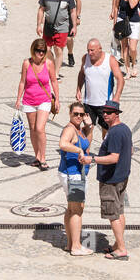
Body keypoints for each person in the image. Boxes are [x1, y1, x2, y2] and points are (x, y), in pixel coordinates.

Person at [91, 102, 132, 260]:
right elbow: (130, 151)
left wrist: (93, 159)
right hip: (121, 177)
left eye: (109, 112)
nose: (105, 114)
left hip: (111, 179)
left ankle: (121, 248)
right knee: (119, 211)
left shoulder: (114, 132)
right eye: (104, 112)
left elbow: (114, 157)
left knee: (112, 214)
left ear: (117, 114)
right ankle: (117, 243)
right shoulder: (125, 129)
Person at [15, 39, 59, 168]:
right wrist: (18, 98)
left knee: (40, 128)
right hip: (29, 100)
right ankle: (37, 156)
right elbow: (22, 82)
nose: (40, 53)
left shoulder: (49, 63)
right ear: (33, 50)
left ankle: (43, 157)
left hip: (44, 100)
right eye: (38, 51)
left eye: (43, 51)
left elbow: (54, 81)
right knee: (33, 129)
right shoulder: (26, 64)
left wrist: (57, 99)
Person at [58, 102, 95, 255]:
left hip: (75, 173)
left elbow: (87, 145)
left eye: (81, 114)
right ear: (70, 114)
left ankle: (69, 243)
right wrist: (77, 149)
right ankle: (76, 246)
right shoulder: (69, 129)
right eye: (76, 114)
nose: (79, 116)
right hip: (73, 174)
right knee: (77, 210)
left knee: (71, 208)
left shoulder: (79, 130)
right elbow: (63, 144)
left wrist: (89, 127)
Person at [36, 0, 78, 81]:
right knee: (47, 49)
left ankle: (56, 73)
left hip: (63, 26)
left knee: (58, 50)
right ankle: (52, 65)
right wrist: (38, 25)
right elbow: (41, 9)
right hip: (48, 26)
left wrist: (74, 26)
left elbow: (73, 11)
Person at [76, 37, 125, 125]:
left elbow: (120, 79)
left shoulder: (110, 60)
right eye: (88, 50)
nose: (89, 53)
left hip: (106, 103)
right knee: (88, 127)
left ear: (100, 49)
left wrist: (117, 97)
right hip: (89, 102)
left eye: (92, 50)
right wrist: (79, 89)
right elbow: (82, 74)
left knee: (106, 130)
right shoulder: (85, 58)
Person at [50, 0, 82, 69]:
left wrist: (78, 16)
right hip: (54, 17)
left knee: (68, 39)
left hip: (68, 16)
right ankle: (57, 61)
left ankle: (70, 53)